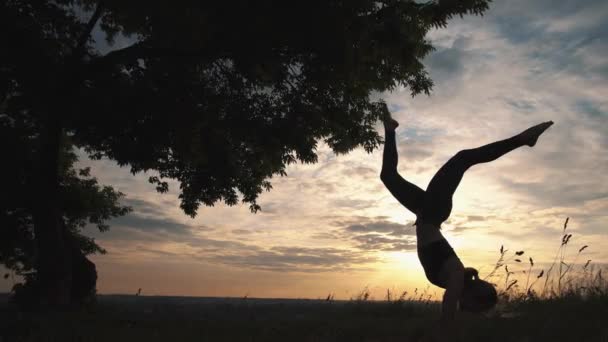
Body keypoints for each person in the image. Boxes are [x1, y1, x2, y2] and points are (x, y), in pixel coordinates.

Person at [380, 114, 553, 336]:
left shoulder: (454, 278)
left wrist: (448, 323)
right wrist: (447, 324)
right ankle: (521, 140)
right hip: (433, 211)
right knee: (462, 159)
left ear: (472, 299)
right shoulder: (457, 275)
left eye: (487, 289)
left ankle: (390, 129)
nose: (487, 284)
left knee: (388, 175)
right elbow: (451, 299)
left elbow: (452, 298)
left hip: (426, 210)